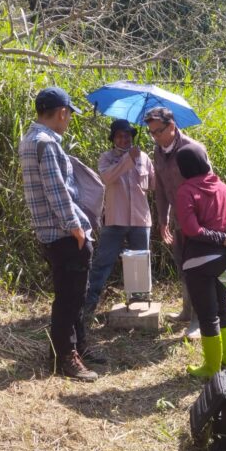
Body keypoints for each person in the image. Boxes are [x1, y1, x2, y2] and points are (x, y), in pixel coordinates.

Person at [18, 86, 102, 382]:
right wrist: (76, 228)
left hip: (50, 232)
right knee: (69, 298)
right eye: (68, 116)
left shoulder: (30, 139)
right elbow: (57, 192)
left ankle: (78, 347)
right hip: (64, 234)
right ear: (62, 113)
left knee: (72, 295)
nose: (68, 122)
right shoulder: (47, 142)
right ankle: (65, 357)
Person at [174, 143, 226, 378]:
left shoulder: (186, 190)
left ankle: (211, 368)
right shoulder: (224, 187)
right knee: (223, 308)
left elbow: (191, 229)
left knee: (207, 315)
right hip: (225, 260)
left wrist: (222, 239)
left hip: (198, 262)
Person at [144, 107, 208, 339]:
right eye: (151, 133)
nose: (155, 136)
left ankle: (198, 320)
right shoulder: (158, 151)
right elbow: (160, 187)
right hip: (177, 219)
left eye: (158, 131)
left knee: (197, 268)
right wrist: (163, 218)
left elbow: (208, 184)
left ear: (172, 126)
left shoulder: (193, 148)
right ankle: (186, 311)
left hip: (198, 220)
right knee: (183, 265)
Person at [84, 119, 155, 321]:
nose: (124, 139)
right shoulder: (106, 158)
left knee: (140, 264)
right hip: (115, 220)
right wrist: (128, 160)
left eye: (127, 135)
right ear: (113, 138)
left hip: (141, 220)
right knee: (102, 263)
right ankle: (88, 305)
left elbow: (152, 184)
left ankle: (139, 304)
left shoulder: (144, 157)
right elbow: (107, 178)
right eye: (120, 136)